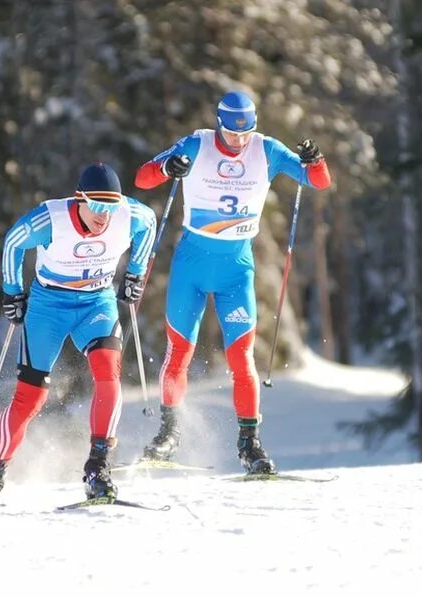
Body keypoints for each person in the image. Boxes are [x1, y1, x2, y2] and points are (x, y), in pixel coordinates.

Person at [134, 90, 331, 474]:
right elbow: (143, 178)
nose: (239, 142)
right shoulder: (197, 143)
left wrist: (315, 159)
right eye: (232, 134)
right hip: (191, 265)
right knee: (180, 353)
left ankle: (250, 444)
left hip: (235, 269)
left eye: (246, 134)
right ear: (219, 124)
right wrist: (167, 168)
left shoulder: (266, 150)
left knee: (242, 357)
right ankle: (168, 432)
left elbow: (317, 181)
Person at [0, 162, 157, 508]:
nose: (104, 217)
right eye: (97, 207)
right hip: (48, 306)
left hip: (96, 302)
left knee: (108, 375)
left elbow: (150, 224)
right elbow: (13, 243)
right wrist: (12, 292)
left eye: (111, 208)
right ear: (79, 199)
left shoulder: (129, 216)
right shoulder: (51, 220)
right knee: (30, 398)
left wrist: (135, 273)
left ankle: (98, 467)